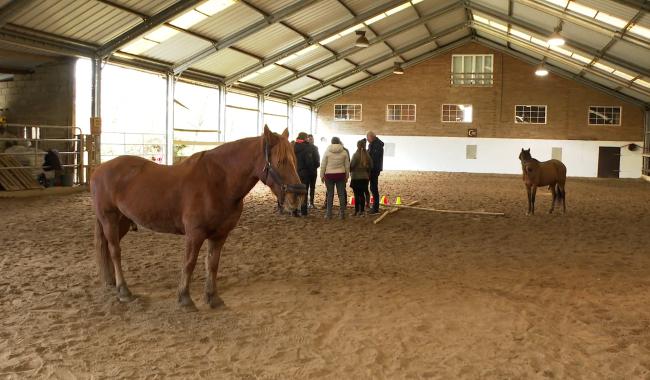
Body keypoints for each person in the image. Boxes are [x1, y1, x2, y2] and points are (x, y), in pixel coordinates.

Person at [320, 137, 350, 219]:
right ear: (339, 142)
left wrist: (321, 175)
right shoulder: (344, 152)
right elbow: (347, 165)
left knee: (330, 194)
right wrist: (347, 176)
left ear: (331, 142)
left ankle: (329, 214)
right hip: (341, 175)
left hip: (329, 175)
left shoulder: (327, 151)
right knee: (341, 194)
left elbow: (323, 164)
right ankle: (342, 214)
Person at [293, 132, 319, 216]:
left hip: (294, 172)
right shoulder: (308, 147)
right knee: (304, 192)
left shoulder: (293, 146)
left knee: (295, 191)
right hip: (305, 173)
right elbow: (309, 162)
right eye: (307, 137)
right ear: (305, 138)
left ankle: (294, 211)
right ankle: (304, 211)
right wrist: (312, 171)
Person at [350, 138, 373, 217]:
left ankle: (356, 211)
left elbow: (352, 165)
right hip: (365, 178)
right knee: (362, 194)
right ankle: (362, 211)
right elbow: (371, 166)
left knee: (357, 195)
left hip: (356, 178)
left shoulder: (355, 155)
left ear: (357, 146)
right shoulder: (367, 155)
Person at [366, 131, 384, 214]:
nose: (367, 139)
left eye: (368, 137)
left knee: (374, 188)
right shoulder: (373, 144)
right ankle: (373, 206)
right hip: (373, 169)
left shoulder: (377, 145)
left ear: (371, 137)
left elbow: (374, 158)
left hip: (374, 169)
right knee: (372, 188)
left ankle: (375, 208)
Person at [306, 134, 319, 208]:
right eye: (310, 139)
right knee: (307, 187)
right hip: (309, 171)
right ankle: (308, 202)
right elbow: (317, 161)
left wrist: (315, 166)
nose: (312, 140)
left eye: (312, 139)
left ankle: (311, 202)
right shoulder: (311, 148)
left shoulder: (315, 148)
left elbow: (317, 159)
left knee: (312, 187)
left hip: (312, 171)